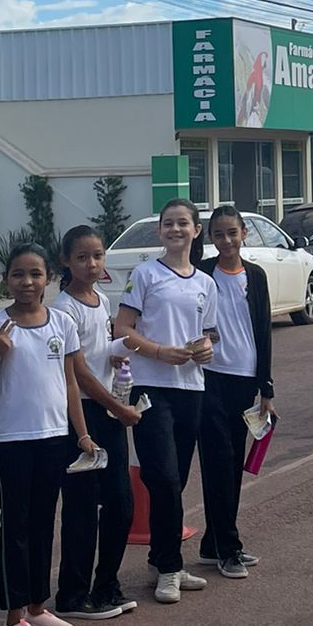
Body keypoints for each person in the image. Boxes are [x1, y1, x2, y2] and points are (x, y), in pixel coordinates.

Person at [0, 243, 97, 626]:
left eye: (35, 274)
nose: (26, 282)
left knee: (45, 521)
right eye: (17, 275)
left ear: (47, 278)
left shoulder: (61, 323)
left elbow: (70, 383)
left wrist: (80, 433)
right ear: (6, 280)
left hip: (53, 437)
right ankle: (12, 617)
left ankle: (37, 606)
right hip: (11, 439)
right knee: (17, 524)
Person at [113, 198, 217, 604]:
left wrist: (205, 348)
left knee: (176, 480)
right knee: (165, 477)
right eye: (168, 224)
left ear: (195, 231)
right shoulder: (144, 275)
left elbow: (210, 333)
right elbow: (123, 329)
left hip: (190, 387)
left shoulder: (204, 284)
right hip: (149, 386)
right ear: (160, 231)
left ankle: (163, 555)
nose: (175, 230)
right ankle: (171, 569)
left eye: (183, 224)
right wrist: (158, 351)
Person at [54, 226, 142, 620]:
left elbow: (99, 353)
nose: (92, 264)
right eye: (82, 257)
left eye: (98, 256)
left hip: (109, 410)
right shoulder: (63, 307)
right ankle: (73, 594)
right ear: (66, 261)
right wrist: (117, 408)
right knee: (82, 507)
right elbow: (79, 372)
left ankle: (106, 583)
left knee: (121, 502)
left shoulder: (102, 300)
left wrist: (119, 355)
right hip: (82, 416)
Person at [196, 204, 276, 579]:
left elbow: (263, 332)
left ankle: (214, 543)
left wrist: (266, 387)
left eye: (232, 232)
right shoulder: (202, 275)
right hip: (210, 380)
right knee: (218, 464)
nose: (226, 241)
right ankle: (229, 547)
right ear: (208, 238)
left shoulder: (256, 277)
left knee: (232, 466)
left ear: (244, 233)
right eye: (217, 234)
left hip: (245, 380)